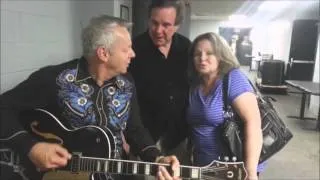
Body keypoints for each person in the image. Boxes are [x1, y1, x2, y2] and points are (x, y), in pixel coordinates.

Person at [0, 15, 180, 180]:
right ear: (103, 54)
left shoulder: (127, 82)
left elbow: (135, 129)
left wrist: (157, 157)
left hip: (118, 172)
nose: (133, 54)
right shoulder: (54, 79)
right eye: (126, 49)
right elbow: (3, 108)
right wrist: (31, 147)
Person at [187, 32, 264, 180]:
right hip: (203, 168)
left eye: (209, 53)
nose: (202, 58)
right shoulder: (194, 85)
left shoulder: (233, 79)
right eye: (197, 54)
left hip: (233, 169)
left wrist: (250, 171)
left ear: (220, 56)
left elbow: (253, 123)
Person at [128, 0, 191, 163]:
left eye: (166, 25)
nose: (158, 30)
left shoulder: (187, 48)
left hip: (178, 137)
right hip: (142, 139)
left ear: (177, 25)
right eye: (154, 23)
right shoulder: (133, 49)